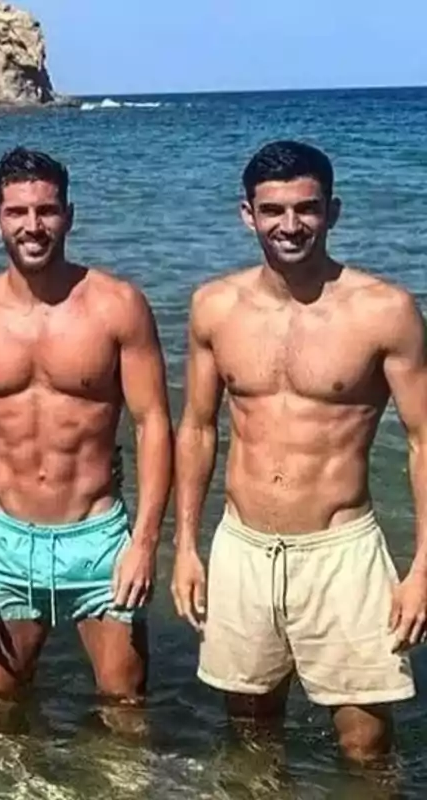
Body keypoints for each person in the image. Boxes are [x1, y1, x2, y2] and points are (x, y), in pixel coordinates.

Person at [171, 140, 423, 764]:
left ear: (332, 212)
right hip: (243, 546)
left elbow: (423, 439)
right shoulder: (214, 307)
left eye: (306, 209)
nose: (290, 225)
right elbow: (198, 428)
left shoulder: (384, 311)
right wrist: (184, 548)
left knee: (366, 742)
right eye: (273, 210)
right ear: (246, 214)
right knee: (251, 729)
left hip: (341, 551)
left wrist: (423, 568)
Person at [0, 148, 173, 707]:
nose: (32, 226)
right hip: (5, 540)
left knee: (125, 701)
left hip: (99, 537)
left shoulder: (119, 307)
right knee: (1, 698)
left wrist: (146, 542)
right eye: (17, 212)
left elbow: (153, 423)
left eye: (47, 210)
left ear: (69, 215)